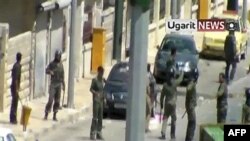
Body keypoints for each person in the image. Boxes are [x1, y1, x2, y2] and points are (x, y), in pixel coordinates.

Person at [159, 68, 184, 140]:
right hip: (173, 103)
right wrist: (182, 72)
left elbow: (162, 96)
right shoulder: (175, 83)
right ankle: (172, 136)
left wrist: (161, 104)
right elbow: (181, 79)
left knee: (165, 118)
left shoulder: (165, 85)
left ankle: (163, 134)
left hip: (167, 103)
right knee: (173, 119)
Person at [44, 50, 65, 121]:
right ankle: (46, 113)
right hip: (53, 84)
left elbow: (62, 75)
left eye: (59, 56)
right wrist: (50, 72)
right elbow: (46, 70)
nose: (58, 57)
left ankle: (54, 115)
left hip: (59, 84)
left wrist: (63, 84)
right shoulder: (52, 64)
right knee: (50, 100)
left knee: (57, 101)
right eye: (57, 56)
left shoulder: (61, 65)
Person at [90, 66, 105, 140]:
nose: (102, 74)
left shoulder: (103, 80)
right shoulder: (94, 80)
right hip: (96, 100)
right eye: (101, 72)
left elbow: (104, 89)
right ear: (98, 72)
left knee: (100, 118)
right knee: (95, 118)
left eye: (103, 72)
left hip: (101, 100)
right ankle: (93, 133)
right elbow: (91, 89)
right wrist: (95, 93)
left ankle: (99, 132)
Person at [185, 71, 198, 141]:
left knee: (191, 122)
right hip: (190, 107)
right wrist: (193, 84)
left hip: (190, 106)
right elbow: (188, 88)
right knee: (192, 122)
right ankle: (189, 138)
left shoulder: (192, 83)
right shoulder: (191, 84)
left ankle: (188, 138)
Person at [9, 52, 22, 124]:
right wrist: (17, 88)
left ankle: (12, 118)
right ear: (20, 58)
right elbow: (16, 78)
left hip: (13, 86)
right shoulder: (17, 67)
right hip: (14, 87)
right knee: (14, 103)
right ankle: (13, 119)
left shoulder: (15, 65)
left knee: (14, 102)